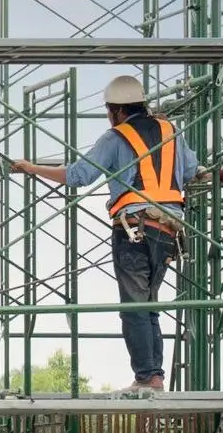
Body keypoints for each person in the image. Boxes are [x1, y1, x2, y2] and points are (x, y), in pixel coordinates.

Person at [12, 74, 197, 393]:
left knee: (135, 305)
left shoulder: (116, 137)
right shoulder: (172, 132)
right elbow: (192, 170)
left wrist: (32, 168)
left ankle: (146, 379)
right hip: (170, 230)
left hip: (134, 230)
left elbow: (78, 175)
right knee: (148, 304)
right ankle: (154, 376)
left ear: (118, 111)